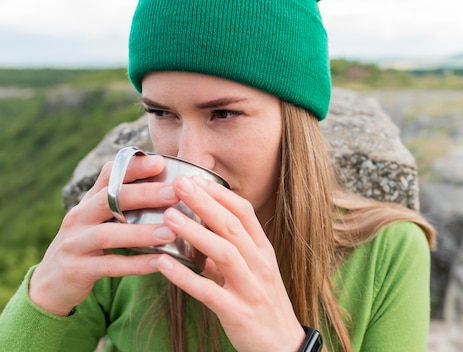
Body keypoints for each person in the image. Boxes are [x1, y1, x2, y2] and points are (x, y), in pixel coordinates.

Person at [0, 0, 436, 351]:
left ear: (295, 119)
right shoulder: (123, 243)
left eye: (223, 113)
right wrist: (44, 297)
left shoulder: (388, 252)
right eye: (161, 113)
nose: (190, 157)